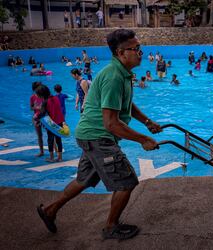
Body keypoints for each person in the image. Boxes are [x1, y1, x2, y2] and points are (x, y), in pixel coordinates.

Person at [36, 29, 161, 241]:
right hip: (98, 136)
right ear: (121, 53)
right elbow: (111, 123)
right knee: (127, 181)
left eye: (140, 48)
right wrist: (143, 139)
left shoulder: (121, 73)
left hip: (88, 134)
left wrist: (147, 122)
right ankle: (111, 227)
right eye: (136, 49)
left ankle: (49, 210)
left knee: (84, 180)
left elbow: (126, 105)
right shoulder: (113, 76)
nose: (141, 53)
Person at [35, 84, 65, 162]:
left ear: (42, 94)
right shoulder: (55, 98)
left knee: (50, 140)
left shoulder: (45, 102)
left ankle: (51, 157)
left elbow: (42, 114)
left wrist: (36, 119)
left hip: (51, 124)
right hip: (59, 121)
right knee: (58, 140)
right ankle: (60, 157)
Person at [30, 81, 44, 157]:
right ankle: (41, 151)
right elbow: (31, 107)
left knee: (51, 134)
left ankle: (55, 151)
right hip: (37, 117)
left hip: (45, 117)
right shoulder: (32, 97)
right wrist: (36, 107)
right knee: (39, 135)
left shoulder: (44, 96)